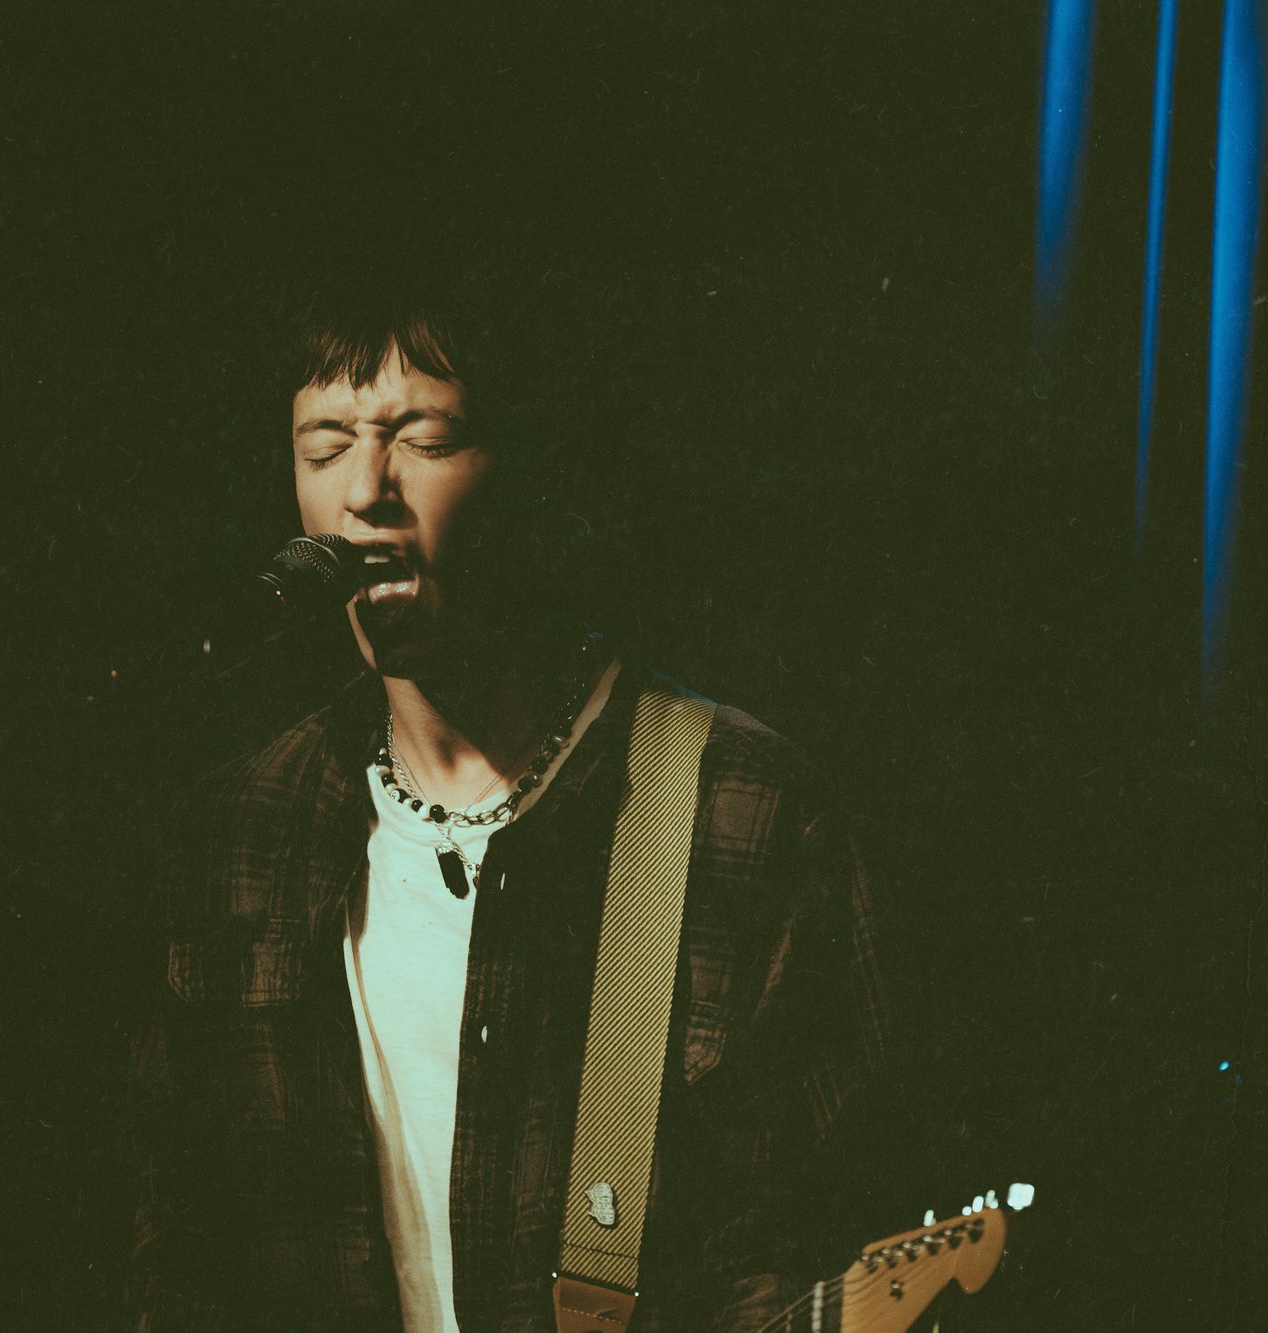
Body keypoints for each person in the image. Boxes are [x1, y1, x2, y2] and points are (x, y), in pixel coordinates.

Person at [127, 287, 898, 1331]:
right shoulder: (245, 832)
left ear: (526, 469)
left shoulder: (740, 811)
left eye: (424, 439)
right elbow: (182, 1263)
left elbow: (813, 1235)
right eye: (325, 447)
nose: (366, 490)